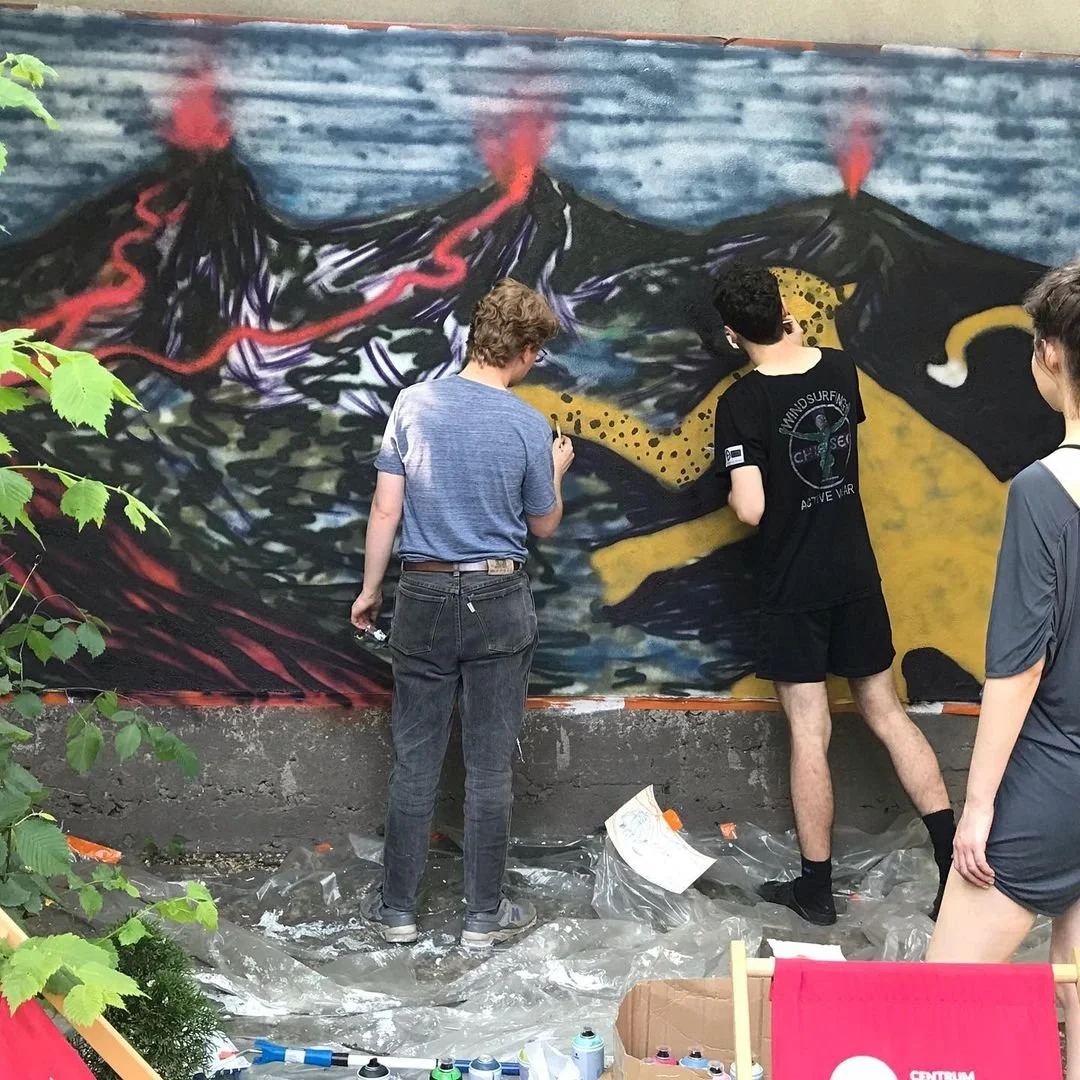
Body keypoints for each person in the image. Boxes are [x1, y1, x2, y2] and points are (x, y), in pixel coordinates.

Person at [711, 261, 955, 926]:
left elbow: (751, 509)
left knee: (809, 731)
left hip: (793, 584)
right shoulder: (841, 370)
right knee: (887, 713)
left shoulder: (740, 404)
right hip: (854, 573)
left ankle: (815, 891)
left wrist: (736, 487)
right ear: (784, 309)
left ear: (732, 334)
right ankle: (951, 862)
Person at [351, 278, 574, 948]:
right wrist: (556, 469)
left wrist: (370, 591)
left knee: (414, 760)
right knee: (489, 767)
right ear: (525, 350)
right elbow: (543, 524)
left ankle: (397, 911)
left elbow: (386, 508)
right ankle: (483, 917)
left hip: (421, 594)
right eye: (537, 353)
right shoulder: (529, 425)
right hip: (498, 599)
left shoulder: (412, 404)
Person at [928, 261, 1080, 1078]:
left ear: (1051, 353)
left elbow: (1019, 668)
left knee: (937, 1007)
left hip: (1054, 778)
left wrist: (979, 805)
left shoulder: (1043, 491)